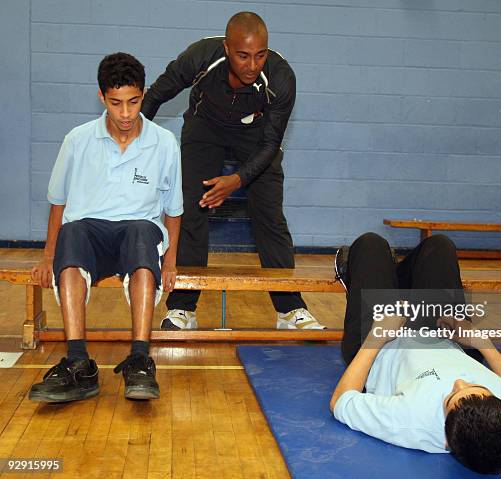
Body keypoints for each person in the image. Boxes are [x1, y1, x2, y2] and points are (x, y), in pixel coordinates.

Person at [141, 11, 325, 331]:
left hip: (256, 138)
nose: (252, 65)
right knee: (190, 208)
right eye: (243, 56)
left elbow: (270, 145)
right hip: (205, 129)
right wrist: (133, 143)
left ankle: (290, 309)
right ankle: (183, 308)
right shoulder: (200, 56)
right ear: (227, 48)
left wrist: (237, 180)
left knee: (269, 214)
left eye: (260, 55)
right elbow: (156, 95)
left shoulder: (281, 79)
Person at [330, 233, 501, 474]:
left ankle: (372, 275)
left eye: (451, 397)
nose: (459, 382)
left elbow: (341, 401)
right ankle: (392, 280)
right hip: (448, 338)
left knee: (371, 245)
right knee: (439, 246)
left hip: (380, 346)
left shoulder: (410, 422)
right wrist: (483, 344)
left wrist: (376, 337)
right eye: (477, 387)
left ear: (446, 440)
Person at [28, 52, 183, 402]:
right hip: (89, 233)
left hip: (138, 232)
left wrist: (171, 262)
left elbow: (174, 211)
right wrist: (47, 256)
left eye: (133, 102)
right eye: (116, 103)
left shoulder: (164, 143)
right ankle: (78, 363)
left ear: (143, 95)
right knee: (73, 231)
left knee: (144, 232)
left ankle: (140, 359)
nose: (125, 113)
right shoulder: (77, 139)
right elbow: (59, 203)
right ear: (102, 97)